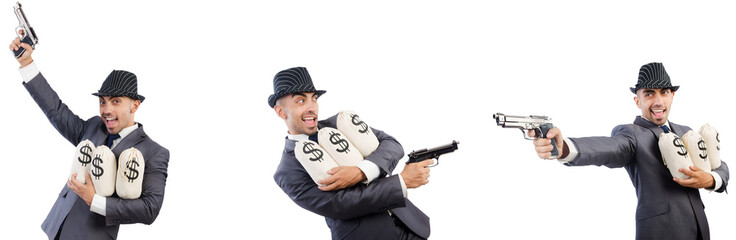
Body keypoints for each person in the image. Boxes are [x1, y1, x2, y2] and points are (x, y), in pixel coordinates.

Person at [531, 62, 729, 240]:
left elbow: (719, 165)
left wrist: (712, 180)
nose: (658, 101)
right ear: (638, 101)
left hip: (700, 230)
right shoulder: (631, 134)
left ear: (672, 96)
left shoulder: (687, 132)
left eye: (664, 92)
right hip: (660, 232)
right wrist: (564, 148)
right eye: (649, 94)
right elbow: (608, 147)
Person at [10, 34, 169, 240]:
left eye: (116, 101)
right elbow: (57, 111)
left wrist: (94, 200)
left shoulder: (154, 152)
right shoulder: (94, 126)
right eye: (102, 102)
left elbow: (150, 209)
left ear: (135, 105)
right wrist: (26, 63)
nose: (106, 110)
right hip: (58, 228)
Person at [270, 67, 432, 239]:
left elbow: (391, 144)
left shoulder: (340, 122)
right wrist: (401, 182)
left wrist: (361, 171)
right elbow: (339, 205)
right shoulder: (286, 171)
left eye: (314, 98)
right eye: (301, 101)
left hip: (408, 223)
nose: (312, 107)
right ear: (280, 111)